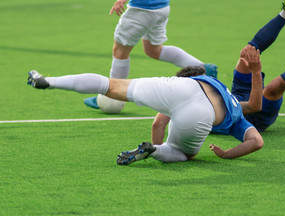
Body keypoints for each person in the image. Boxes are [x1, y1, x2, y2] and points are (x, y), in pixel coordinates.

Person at [27, 44, 263, 165]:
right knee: (185, 154)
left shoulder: (213, 83)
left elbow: (159, 122)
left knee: (110, 85)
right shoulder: (237, 116)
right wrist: (227, 154)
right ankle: (155, 151)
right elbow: (256, 138)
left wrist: (252, 68)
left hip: (181, 87)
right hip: (202, 115)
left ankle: (48, 80)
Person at [151, 0, 285, 146]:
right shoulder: (202, 111)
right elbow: (254, 106)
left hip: (236, 97)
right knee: (275, 88)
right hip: (253, 117)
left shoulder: (197, 100)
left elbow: (160, 121)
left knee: (246, 55)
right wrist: (256, 70)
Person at [83, 0, 217, 111]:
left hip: (142, 8)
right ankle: (203, 68)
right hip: (161, 6)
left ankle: (112, 95)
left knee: (120, 51)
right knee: (153, 50)